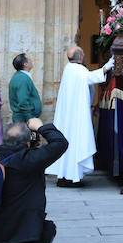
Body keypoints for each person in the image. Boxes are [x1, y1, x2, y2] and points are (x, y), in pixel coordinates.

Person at [45, 47, 114, 187]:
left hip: (68, 117)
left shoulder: (68, 69)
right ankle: (71, 178)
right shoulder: (78, 70)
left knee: (67, 145)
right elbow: (91, 78)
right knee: (74, 143)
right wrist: (107, 66)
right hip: (75, 117)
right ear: (81, 57)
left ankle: (64, 177)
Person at [8, 54, 41, 122]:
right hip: (24, 120)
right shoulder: (23, 79)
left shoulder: (20, 76)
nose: (31, 61)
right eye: (29, 59)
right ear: (25, 64)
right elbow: (23, 102)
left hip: (23, 118)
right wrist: (30, 119)